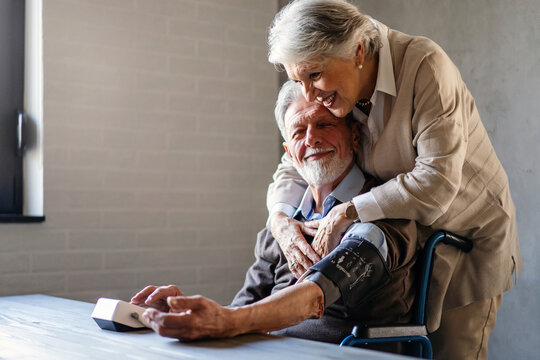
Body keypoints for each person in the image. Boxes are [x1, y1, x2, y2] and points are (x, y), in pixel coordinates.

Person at [265, 1, 522, 359]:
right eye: (297, 80)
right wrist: (279, 220)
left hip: (463, 239)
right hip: (407, 238)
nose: (309, 95)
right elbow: (295, 159)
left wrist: (350, 211)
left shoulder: (425, 67)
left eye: (314, 76)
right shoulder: (340, 81)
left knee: (455, 352)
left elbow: (436, 182)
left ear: (357, 52)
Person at [131, 81, 419, 349]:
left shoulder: (382, 210)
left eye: (324, 124)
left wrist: (228, 322)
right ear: (289, 154)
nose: (312, 139)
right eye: (298, 132)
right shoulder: (281, 226)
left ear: (355, 136)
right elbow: (239, 311)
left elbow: (317, 295)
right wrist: (187, 312)